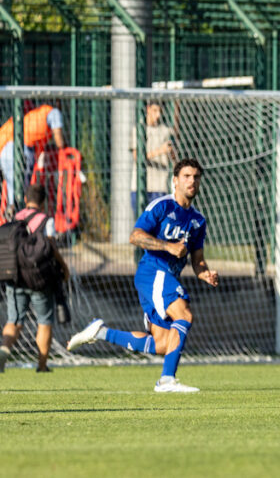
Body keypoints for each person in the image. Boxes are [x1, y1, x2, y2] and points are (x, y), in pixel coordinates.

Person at [66, 159, 218, 393]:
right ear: (175, 181)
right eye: (186, 176)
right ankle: (167, 380)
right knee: (184, 315)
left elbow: (197, 260)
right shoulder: (162, 206)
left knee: (163, 344)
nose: (192, 181)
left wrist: (205, 273)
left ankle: (101, 332)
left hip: (165, 279)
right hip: (153, 272)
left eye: (196, 177)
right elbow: (135, 236)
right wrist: (167, 246)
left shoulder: (198, 221)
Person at [0, 183, 69, 373]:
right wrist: (63, 267)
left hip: (15, 276)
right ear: (44, 201)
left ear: (25, 200)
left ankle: (4, 350)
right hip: (40, 278)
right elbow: (52, 247)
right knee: (44, 320)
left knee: (14, 319)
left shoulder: (15, 218)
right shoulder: (47, 220)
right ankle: (42, 365)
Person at [0, 103, 66, 208]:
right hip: (20, 147)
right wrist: (64, 148)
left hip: (4, 147)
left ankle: (14, 209)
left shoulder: (36, 114)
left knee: (13, 186)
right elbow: (59, 141)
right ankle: (20, 211)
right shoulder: (54, 112)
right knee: (21, 189)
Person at [131, 101, 175, 213]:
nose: (158, 115)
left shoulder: (166, 131)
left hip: (160, 188)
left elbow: (173, 159)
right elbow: (137, 157)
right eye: (155, 111)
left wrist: (171, 152)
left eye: (160, 111)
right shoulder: (138, 130)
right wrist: (159, 151)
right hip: (139, 189)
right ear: (148, 109)